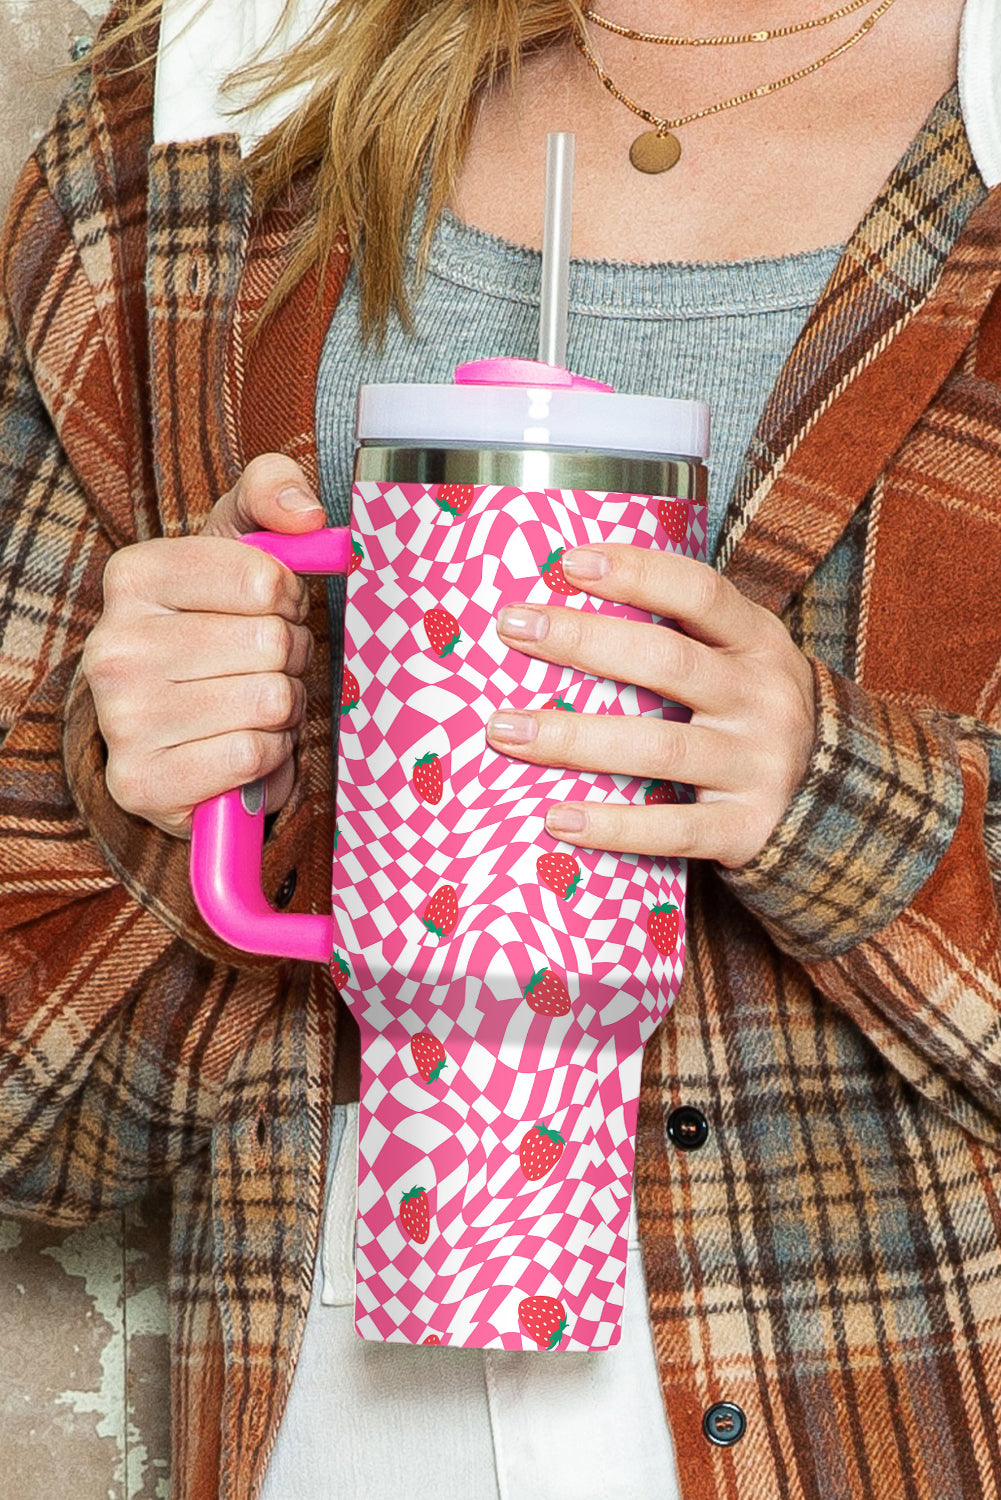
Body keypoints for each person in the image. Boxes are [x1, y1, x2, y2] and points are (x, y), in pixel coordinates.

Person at [1, 0, 1000, 1495]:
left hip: (907, 1401)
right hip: (340, 1412)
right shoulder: (195, 120)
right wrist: (175, 802)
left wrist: (828, 794)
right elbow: (31, 1129)